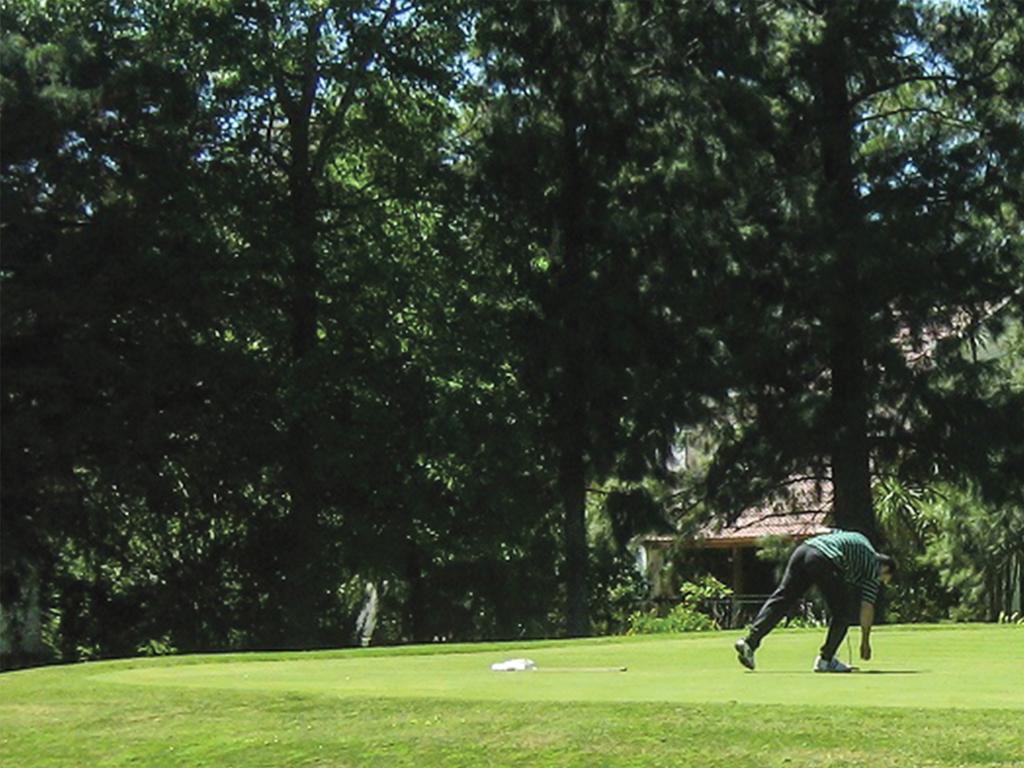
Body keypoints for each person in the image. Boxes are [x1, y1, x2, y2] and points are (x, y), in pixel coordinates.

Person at [734, 529, 895, 672]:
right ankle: (826, 660)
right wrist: (865, 642)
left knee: (782, 599)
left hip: (804, 550)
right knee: (843, 614)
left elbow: (832, 533)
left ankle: (750, 642)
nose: (880, 581)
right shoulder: (873, 570)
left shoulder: (861, 538)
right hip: (823, 559)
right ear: (884, 568)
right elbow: (867, 607)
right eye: (884, 578)